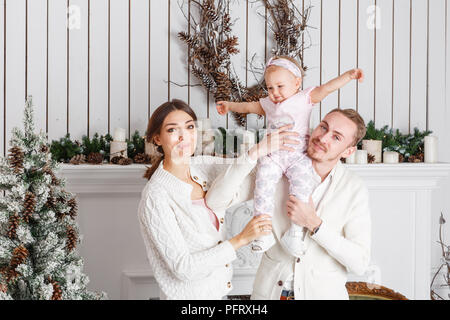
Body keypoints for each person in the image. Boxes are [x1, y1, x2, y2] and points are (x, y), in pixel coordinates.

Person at [137, 99, 299, 300]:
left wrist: (273, 146)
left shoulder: (202, 166)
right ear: (157, 139)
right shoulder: (156, 195)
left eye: (189, 127)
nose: (184, 136)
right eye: (172, 130)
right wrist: (241, 239)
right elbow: (183, 268)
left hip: (219, 294)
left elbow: (250, 174)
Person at [206, 108, 372, 300]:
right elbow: (215, 200)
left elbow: (359, 263)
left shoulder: (353, 188)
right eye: (323, 127)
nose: (323, 138)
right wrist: (255, 152)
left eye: (336, 137)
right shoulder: (274, 167)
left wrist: (315, 225)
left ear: (349, 151)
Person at [216, 55, 364, 257]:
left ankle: (295, 233)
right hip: (273, 155)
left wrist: (348, 76)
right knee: (263, 186)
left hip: (297, 156)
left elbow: (328, 88)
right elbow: (248, 107)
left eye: (280, 86)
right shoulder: (268, 103)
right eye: (270, 88)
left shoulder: (305, 98)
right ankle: (263, 230)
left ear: (297, 83)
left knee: (301, 188)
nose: (275, 93)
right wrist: (229, 106)